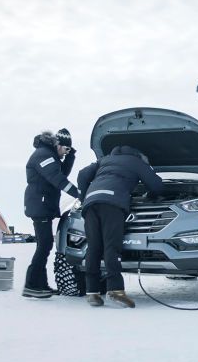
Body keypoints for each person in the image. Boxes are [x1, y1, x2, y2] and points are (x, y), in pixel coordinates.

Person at [77, 146, 163, 308]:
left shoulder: (104, 160)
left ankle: (92, 292)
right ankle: (115, 290)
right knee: (112, 246)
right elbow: (157, 185)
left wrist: (84, 196)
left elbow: (82, 174)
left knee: (93, 247)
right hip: (112, 203)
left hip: (91, 203)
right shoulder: (136, 162)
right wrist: (150, 195)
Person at [23, 129, 80, 298]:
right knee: (45, 244)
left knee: (45, 244)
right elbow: (58, 179)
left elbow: (61, 173)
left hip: (43, 205)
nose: (66, 153)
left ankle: (40, 284)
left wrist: (70, 157)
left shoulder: (50, 155)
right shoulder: (44, 155)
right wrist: (80, 194)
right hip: (39, 205)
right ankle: (31, 285)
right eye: (66, 149)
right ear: (58, 145)